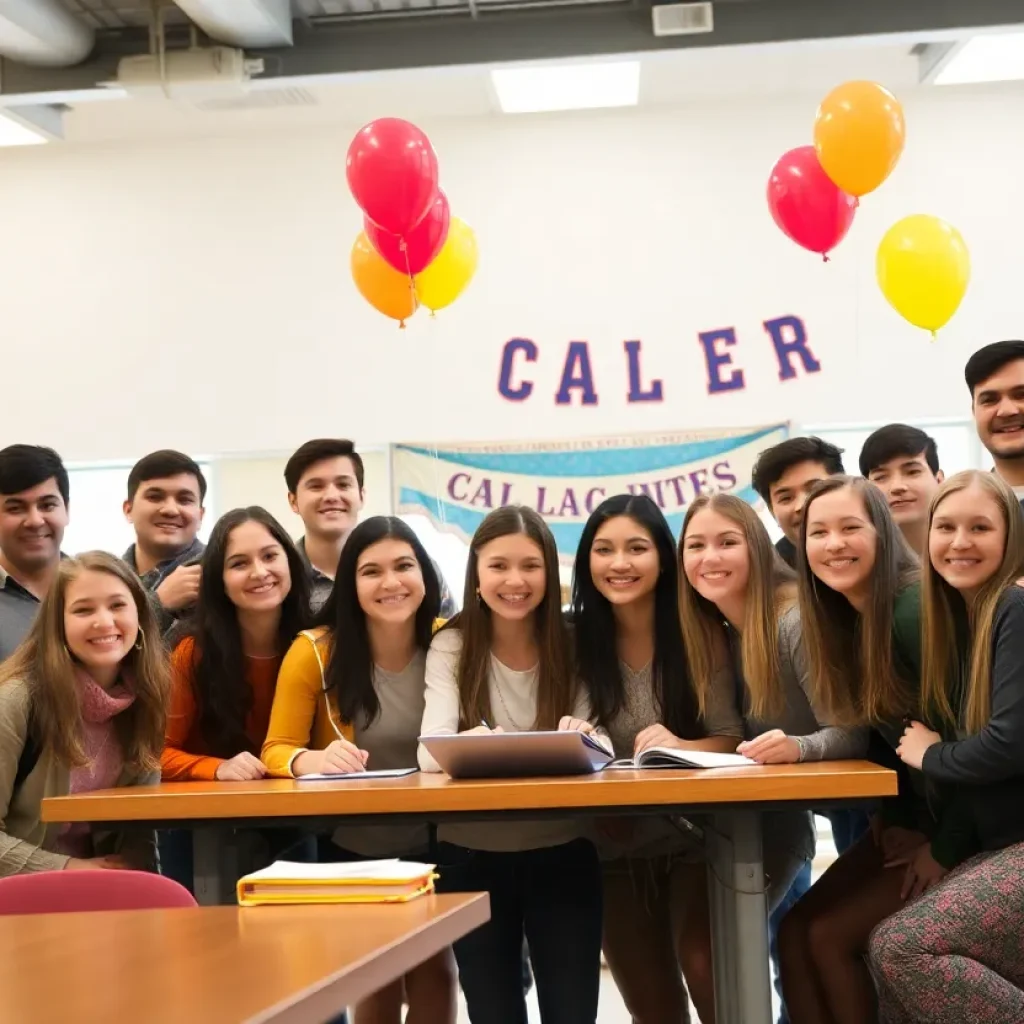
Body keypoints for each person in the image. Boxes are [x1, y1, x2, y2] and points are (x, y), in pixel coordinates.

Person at [679, 493, 869, 1024]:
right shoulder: (717, 631)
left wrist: (799, 748)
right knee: (713, 949)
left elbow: (855, 732)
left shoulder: (794, 621)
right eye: (696, 545)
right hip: (749, 821)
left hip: (816, 824)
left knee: (752, 947)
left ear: (758, 549)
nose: (709, 557)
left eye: (727, 542)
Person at [419, 505, 608, 1024]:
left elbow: (600, 741)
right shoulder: (453, 643)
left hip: (565, 849)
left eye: (530, 565)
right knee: (492, 1011)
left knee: (573, 1012)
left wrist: (585, 737)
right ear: (476, 572)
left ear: (551, 571)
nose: (515, 580)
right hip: (469, 855)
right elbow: (429, 748)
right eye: (499, 565)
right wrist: (468, 742)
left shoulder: (573, 642)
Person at [263, 516, 456, 1024]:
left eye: (404, 567)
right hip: (353, 844)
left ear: (426, 575)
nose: (390, 583)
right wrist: (312, 759)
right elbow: (276, 748)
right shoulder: (314, 651)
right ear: (350, 583)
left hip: (443, 839)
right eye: (371, 571)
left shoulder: (449, 641)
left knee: (438, 976)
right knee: (378, 976)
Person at [777, 476, 950, 1024]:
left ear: (882, 533)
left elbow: (964, 746)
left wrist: (939, 845)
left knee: (828, 938)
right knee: (795, 931)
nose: (834, 544)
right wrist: (896, 814)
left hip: (971, 830)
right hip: (920, 818)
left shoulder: (912, 609)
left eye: (850, 528)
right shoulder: (847, 620)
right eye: (818, 532)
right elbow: (888, 741)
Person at [570, 494, 742, 1024]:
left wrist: (679, 747)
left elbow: (732, 738)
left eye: (636, 548)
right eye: (604, 550)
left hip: (697, 839)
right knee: (653, 1006)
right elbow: (577, 737)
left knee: (707, 968)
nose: (619, 563)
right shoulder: (574, 638)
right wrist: (575, 738)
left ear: (664, 559)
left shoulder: (702, 632)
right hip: (613, 847)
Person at [870, 470, 1024, 1022]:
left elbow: (1008, 745)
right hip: (1000, 846)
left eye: (980, 527)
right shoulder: (971, 615)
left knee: (902, 948)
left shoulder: (1014, 604)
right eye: (947, 527)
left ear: (1011, 538)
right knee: (891, 978)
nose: (960, 542)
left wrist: (929, 755)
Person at [159, 507, 311, 888]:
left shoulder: (318, 643)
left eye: (270, 556)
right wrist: (215, 768)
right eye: (239, 563)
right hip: (204, 830)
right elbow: (153, 755)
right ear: (219, 581)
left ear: (290, 562)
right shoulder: (192, 653)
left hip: (300, 819)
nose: (259, 572)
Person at [0, 551, 167, 875]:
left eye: (117, 605)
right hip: (21, 900)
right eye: (83, 610)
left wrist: (135, 877)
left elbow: (141, 827)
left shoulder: (147, 696)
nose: (104, 621)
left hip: (103, 895)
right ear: (57, 625)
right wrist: (70, 869)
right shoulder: (17, 700)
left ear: (140, 616)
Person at [285, 438, 456, 615]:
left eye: (343, 484)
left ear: (361, 495)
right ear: (293, 501)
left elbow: (453, 637)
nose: (331, 495)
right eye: (316, 486)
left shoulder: (416, 569)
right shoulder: (280, 578)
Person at [122, 450, 206, 635]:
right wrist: (160, 603)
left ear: (200, 516)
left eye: (184, 500)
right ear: (128, 509)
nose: (170, 510)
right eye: (155, 497)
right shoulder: (105, 579)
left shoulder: (221, 573)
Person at [0, 445, 70, 662]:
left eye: (47, 505)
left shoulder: (98, 587)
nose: (35, 521)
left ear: (67, 510)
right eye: (15, 508)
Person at [751, 436, 845, 569]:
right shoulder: (770, 575)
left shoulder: (880, 549)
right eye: (786, 498)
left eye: (815, 489)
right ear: (772, 512)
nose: (801, 505)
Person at [859, 424, 944, 555]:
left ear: (939, 480)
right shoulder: (860, 560)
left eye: (912, 472)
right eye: (881, 477)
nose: (897, 487)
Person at [964, 339, 1024, 501]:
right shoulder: (963, 510)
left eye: (1021, 395)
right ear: (974, 411)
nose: (1006, 411)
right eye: (990, 399)